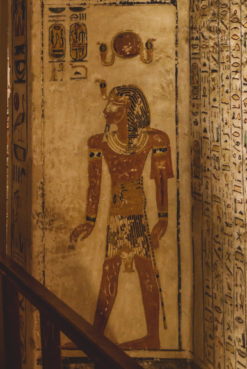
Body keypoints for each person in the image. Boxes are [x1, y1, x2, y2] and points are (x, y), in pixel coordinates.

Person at [70, 83, 173, 350]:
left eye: (113, 104)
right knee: (109, 271)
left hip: (138, 214)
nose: (106, 109)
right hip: (117, 215)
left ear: (129, 108)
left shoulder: (156, 139)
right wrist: (89, 221)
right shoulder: (98, 142)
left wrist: (162, 219)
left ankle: (152, 337)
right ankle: (96, 336)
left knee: (144, 269)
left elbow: (161, 179)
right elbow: (95, 184)